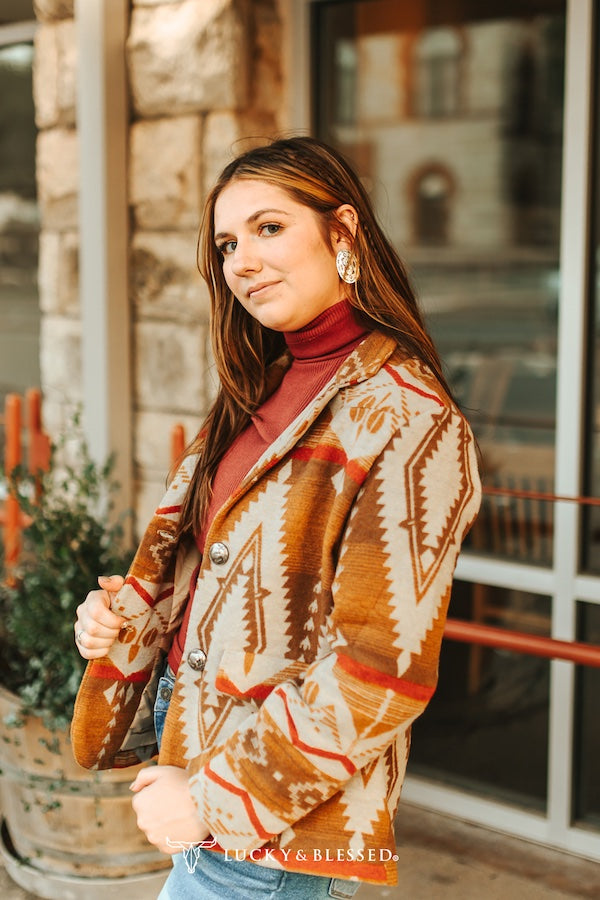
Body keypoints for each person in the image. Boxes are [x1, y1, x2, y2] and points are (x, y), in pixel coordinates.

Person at [72, 136, 481, 899]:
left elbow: (380, 671)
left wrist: (209, 799)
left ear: (343, 232)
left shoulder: (408, 417)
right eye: (228, 243)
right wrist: (125, 619)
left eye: (268, 228)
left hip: (273, 811)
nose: (242, 262)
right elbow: (214, 576)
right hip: (194, 744)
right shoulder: (259, 388)